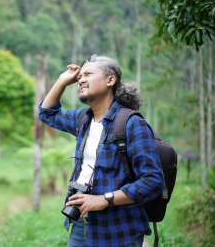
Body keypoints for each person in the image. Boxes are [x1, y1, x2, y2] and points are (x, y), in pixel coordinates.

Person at [38, 55, 164, 247]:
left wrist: (103, 200)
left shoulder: (131, 124)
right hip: (80, 225)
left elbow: (153, 181)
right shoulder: (84, 119)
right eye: (80, 76)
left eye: (88, 74)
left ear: (110, 80)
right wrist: (63, 81)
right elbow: (47, 113)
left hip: (119, 231)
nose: (81, 79)